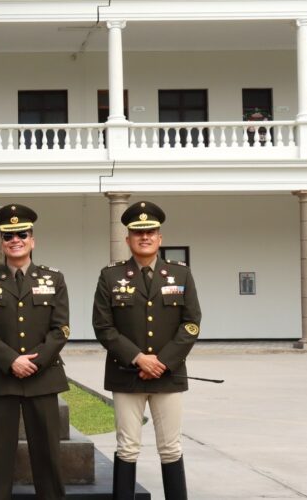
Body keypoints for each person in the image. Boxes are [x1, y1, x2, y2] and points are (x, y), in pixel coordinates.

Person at [91, 201, 201, 500]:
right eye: (138, 232)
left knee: (171, 447)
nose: (145, 237)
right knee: (127, 447)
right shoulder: (111, 276)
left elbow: (191, 324)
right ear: (128, 239)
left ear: (160, 238)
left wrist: (162, 362)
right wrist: (139, 358)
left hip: (168, 375)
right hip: (126, 374)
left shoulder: (180, 274)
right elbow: (103, 326)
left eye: (150, 231)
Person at [0, 204, 70, 500]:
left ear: (32, 240)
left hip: (43, 376)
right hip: (3, 377)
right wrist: (12, 360)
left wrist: (34, 361)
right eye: (8, 236)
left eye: (22, 234)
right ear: (1, 242)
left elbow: (61, 329)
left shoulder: (54, 279)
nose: (16, 240)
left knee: (48, 453)